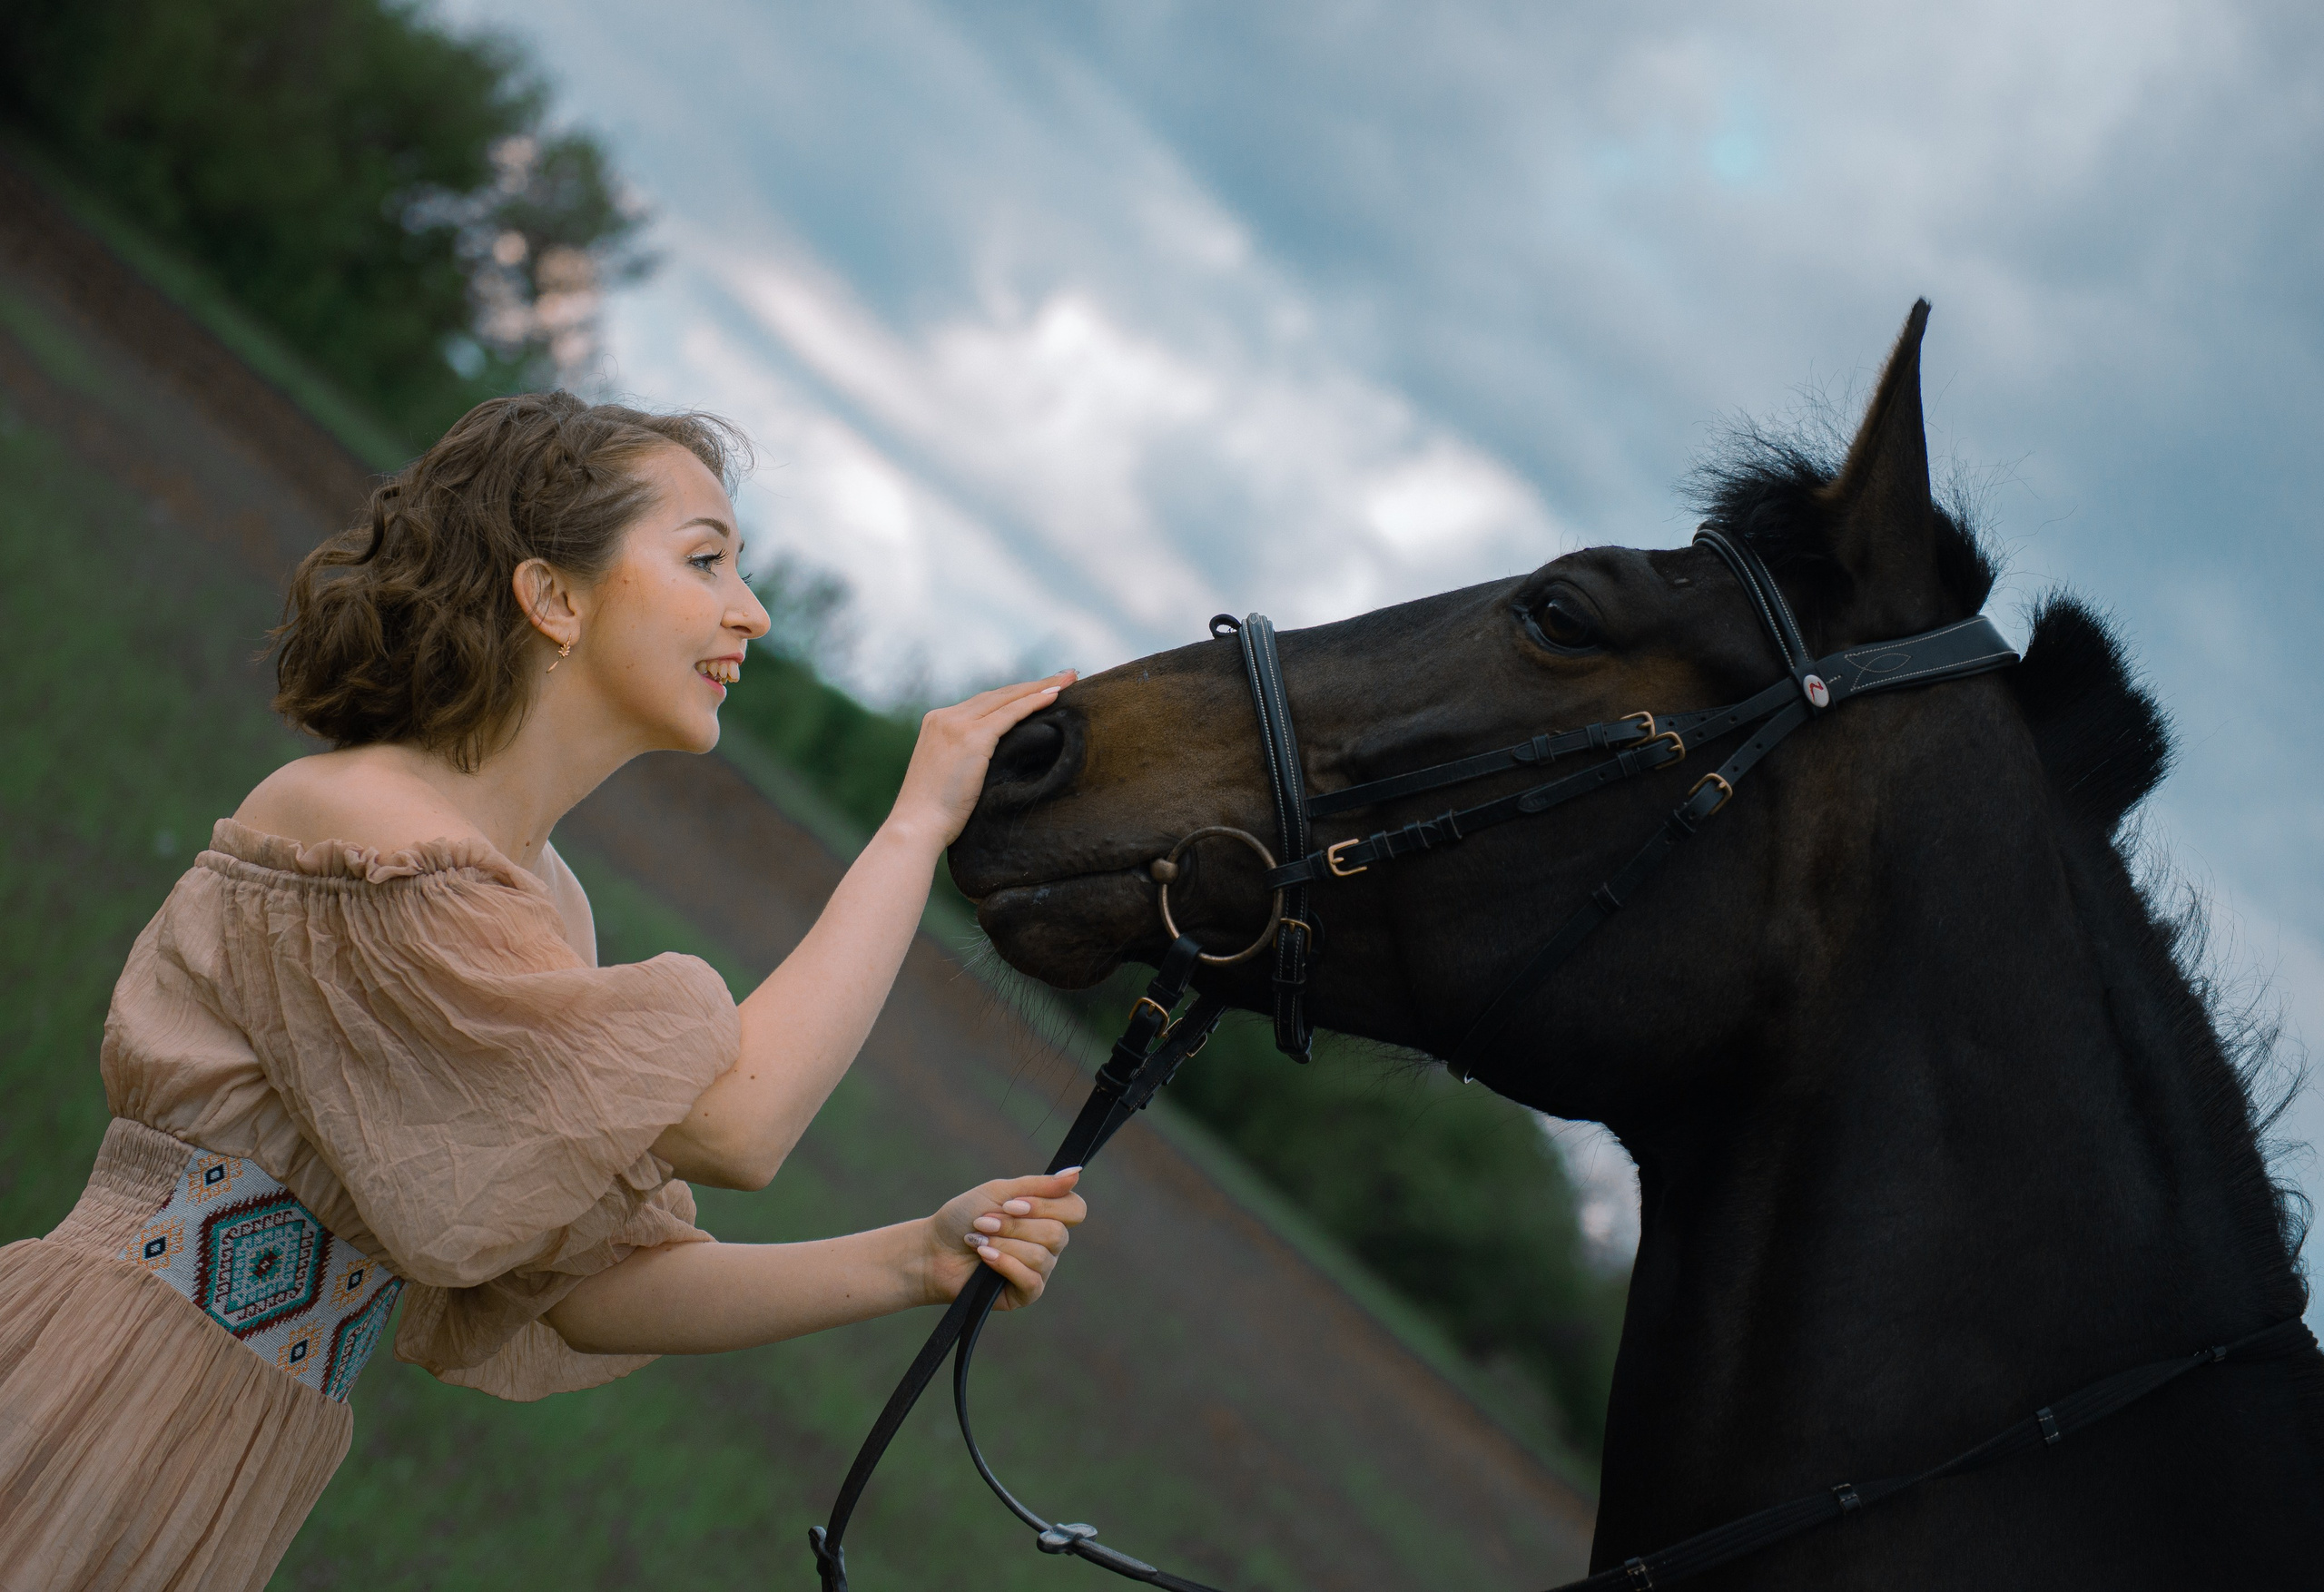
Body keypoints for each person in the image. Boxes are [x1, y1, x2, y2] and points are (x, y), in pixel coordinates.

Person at [0, 393, 1084, 1591]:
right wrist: (912, 828)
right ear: (554, 596)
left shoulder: (541, 906)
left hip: (240, 1460)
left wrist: (914, 1259)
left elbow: (590, 1286)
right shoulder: (362, 833)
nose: (753, 611)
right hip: (89, 1386)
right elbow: (738, 1121)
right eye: (705, 558)